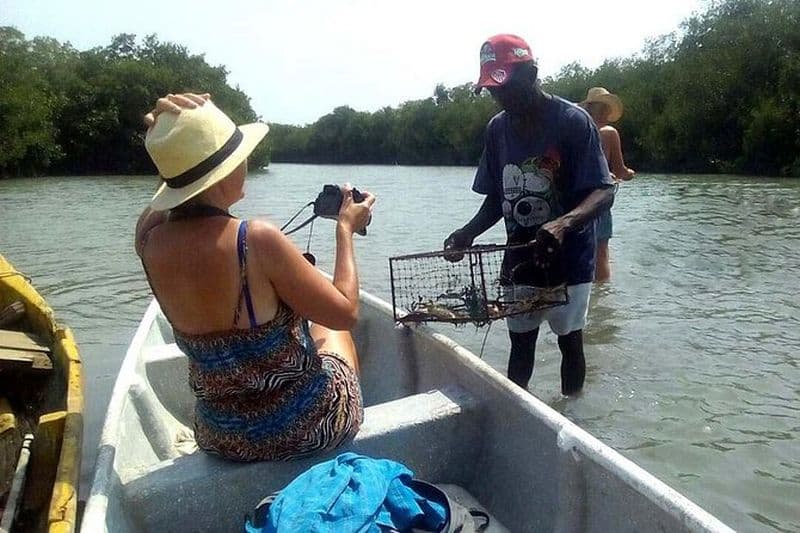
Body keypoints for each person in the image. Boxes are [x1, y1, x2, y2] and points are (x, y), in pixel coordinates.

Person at [134, 93, 375, 461]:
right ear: (222, 173)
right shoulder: (256, 238)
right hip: (306, 426)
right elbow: (346, 311)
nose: (244, 162)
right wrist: (345, 228)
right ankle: (340, 449)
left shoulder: (148, 242)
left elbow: (163, 201)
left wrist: (170, 147)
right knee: (334, 331)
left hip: (221, 437)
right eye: (238, 157)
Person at [444, 35, 614, 395]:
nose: (500, 98)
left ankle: (573, 416)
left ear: (533, 73)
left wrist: (564, 223)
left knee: (570, 343)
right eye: (493, 90)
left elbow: (603, 191)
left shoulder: (573, 121)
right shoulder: (497, 129)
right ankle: (516, 412)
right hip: (520, 257)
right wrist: (467, 232)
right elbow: (496, 199)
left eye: (506, 88)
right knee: (520, 344)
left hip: (570, 260)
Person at [580, 87, 635, 282]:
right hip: (598, 197)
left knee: (579, 250)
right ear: (605, 109)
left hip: (577, 198)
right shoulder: (609, 132)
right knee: (601, 251)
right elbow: (620, 171)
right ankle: (602, 299)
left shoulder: (578, 131)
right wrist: (629, 174)